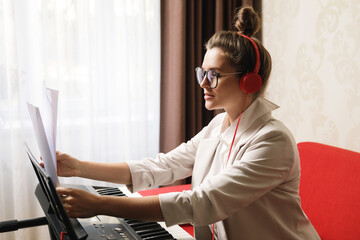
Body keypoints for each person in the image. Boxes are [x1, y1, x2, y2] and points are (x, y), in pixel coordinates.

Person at [54, 7, 320, 240]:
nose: (203, 83)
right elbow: (162, 166)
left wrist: (101, 204)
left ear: (248, 81)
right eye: (202, 72)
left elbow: (203, 202)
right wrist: (78, 167)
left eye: (214, 75)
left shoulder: (273, 141)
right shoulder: (218, 126)